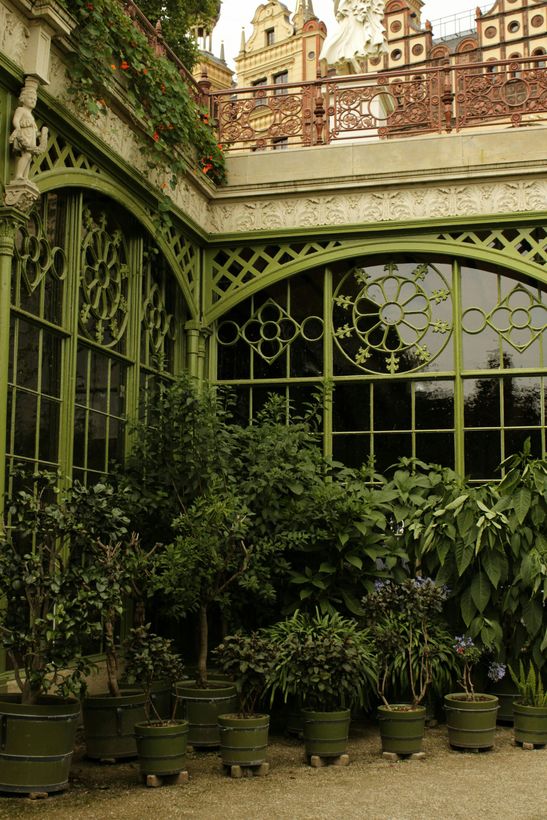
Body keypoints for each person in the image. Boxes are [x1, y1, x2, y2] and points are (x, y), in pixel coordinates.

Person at [319, 0, 387, 72]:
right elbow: (336, 3)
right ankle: (349, 57)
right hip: (352, 11)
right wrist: (338, 11)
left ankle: (351, 59)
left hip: (358, 10)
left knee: (356, 37)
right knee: (349, 35)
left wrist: (337, 12)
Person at [9, 82, 48, 180]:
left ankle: (25, 176)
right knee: (26, 155)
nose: (33, 101)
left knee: (29, 157)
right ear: (23, 98)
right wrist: (18, 128)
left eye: (35, 99)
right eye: (31, 98)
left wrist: (40, 134)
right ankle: (18, 175)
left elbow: (34, 130)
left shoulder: (31, 115)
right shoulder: (21, 109)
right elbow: (16, 120)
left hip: (31, 137)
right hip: (24, 135)